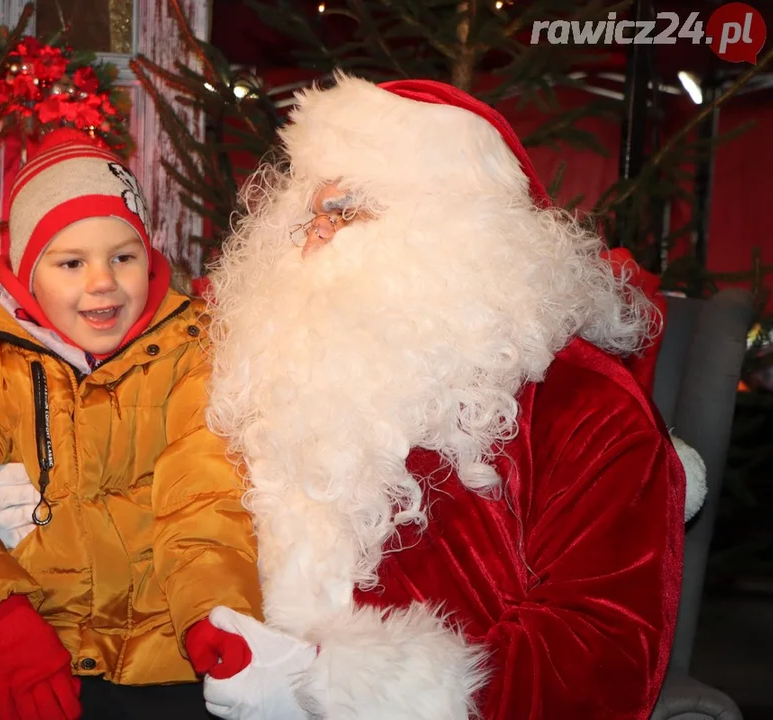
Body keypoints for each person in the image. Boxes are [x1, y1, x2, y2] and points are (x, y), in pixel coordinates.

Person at [197, 74, 698, 719]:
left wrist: (329, 684)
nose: (314, 236)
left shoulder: (585, 406)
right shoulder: (260, 373)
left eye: (346, 211)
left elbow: (600, 653)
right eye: (310, 213)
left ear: (455, 237)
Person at [0, 128, 262, 720]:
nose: (102, 281)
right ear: (27, 273)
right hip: (37, 662)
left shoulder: (195, 353)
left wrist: (214, 611)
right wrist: (1, 619)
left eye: (123, 256)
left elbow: (206, 497)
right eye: (71, 262)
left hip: (171, 664)